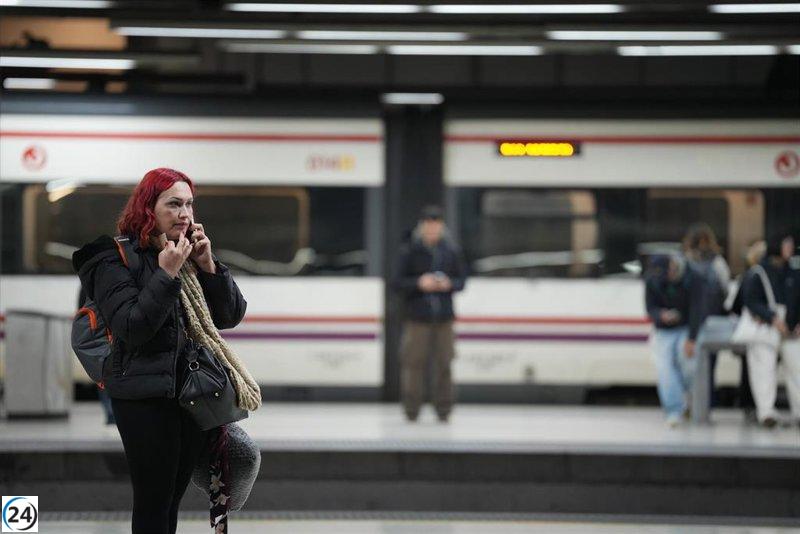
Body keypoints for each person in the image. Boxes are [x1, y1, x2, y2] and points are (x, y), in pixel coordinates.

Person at [72, 168, 260, 534]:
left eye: (189, 204)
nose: (185, 214)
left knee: (172, 498)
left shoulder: (187, 253)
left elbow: (229, 315)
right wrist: (165, 275)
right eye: (174, 204)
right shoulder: (111, 259)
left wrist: (208, 266)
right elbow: (132, 327)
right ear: (148, 208)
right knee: (152, 501)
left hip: (189, 398)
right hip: (143, 399)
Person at [394, 205, 468, 423]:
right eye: (428, 224)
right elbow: (397, 283)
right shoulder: (409, 251)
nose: (432, 228)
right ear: (422, 226)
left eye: (435, 224)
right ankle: (411, 410)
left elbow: (462, 281)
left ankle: (444, 410)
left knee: (444, 363)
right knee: (413, 364)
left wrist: (448, 284)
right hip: (417, 318)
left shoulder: (451, 251)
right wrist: (419, 283)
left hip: (444, 318)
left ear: (441, 226)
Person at [741, 234, 800, 428]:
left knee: (797, 370)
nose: (790, 248)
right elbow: (750, 300)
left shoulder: (794, 271)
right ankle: (766, 412)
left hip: (792, 329)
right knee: (763, 369)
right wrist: (772, 318)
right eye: (786, 244)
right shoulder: (758, 272)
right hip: (767, 328)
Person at [645, 254, 702, 427]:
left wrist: (692, 338)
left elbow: (696, 310)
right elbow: (650, 307)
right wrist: (661, 316)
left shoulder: (691, 278)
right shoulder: (653, 279)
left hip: (686, 328)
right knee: (665, 369)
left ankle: (688, 398)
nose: (663, 279)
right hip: (663, 331)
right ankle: (674, 410)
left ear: (672, 266)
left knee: (688, 365)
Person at [682, 223, 731, 406]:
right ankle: (707, 401)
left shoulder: (686, 261)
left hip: (689, 320)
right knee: (710, 363)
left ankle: (690, 402)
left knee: (688, 363)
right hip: (713, 319)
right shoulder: (718, 262)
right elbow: (725, 288)